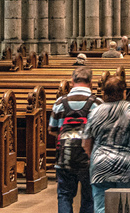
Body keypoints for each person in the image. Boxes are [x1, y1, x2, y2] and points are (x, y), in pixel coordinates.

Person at [83, 73, 130, 213]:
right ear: (124, 92)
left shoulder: (94, 112)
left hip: (101, 165)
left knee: (101, 207)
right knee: (129, 207)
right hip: (129, 166)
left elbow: (86, 142)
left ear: (104, 93)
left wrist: (90, 160)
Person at [50, 67, 97, 213]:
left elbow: (52, 129)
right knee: (89, 197)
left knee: (64, 195)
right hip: (88, 157)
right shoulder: (97, 103)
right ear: (90, 82)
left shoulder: (59, 102)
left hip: (65, 156)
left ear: (72, 81)